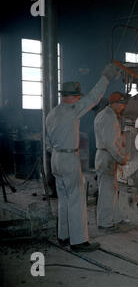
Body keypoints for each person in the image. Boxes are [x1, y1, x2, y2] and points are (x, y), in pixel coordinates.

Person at [46, 63, 120, 252]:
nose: (79, 98)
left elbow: (46, 142)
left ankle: (64, 236)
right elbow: (93, 98)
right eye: (77, 96)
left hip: (55, 158)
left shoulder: (52, 113)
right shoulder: (71, 111)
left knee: (64, 199)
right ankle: (79, 241)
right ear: (72, 96)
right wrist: (105, 77)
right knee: (77, 199)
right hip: (69, 158)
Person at [94, 92, 129, 229]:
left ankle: (115, 217)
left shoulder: (104, 115)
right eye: (121, 104)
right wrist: (121, 158)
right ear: (114, 103)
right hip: (107, 156)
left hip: (105, 156)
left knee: (112, 189)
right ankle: (105, 223)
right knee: (107, 191)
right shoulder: (108, 117)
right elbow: (110, 143)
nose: (123, 107)